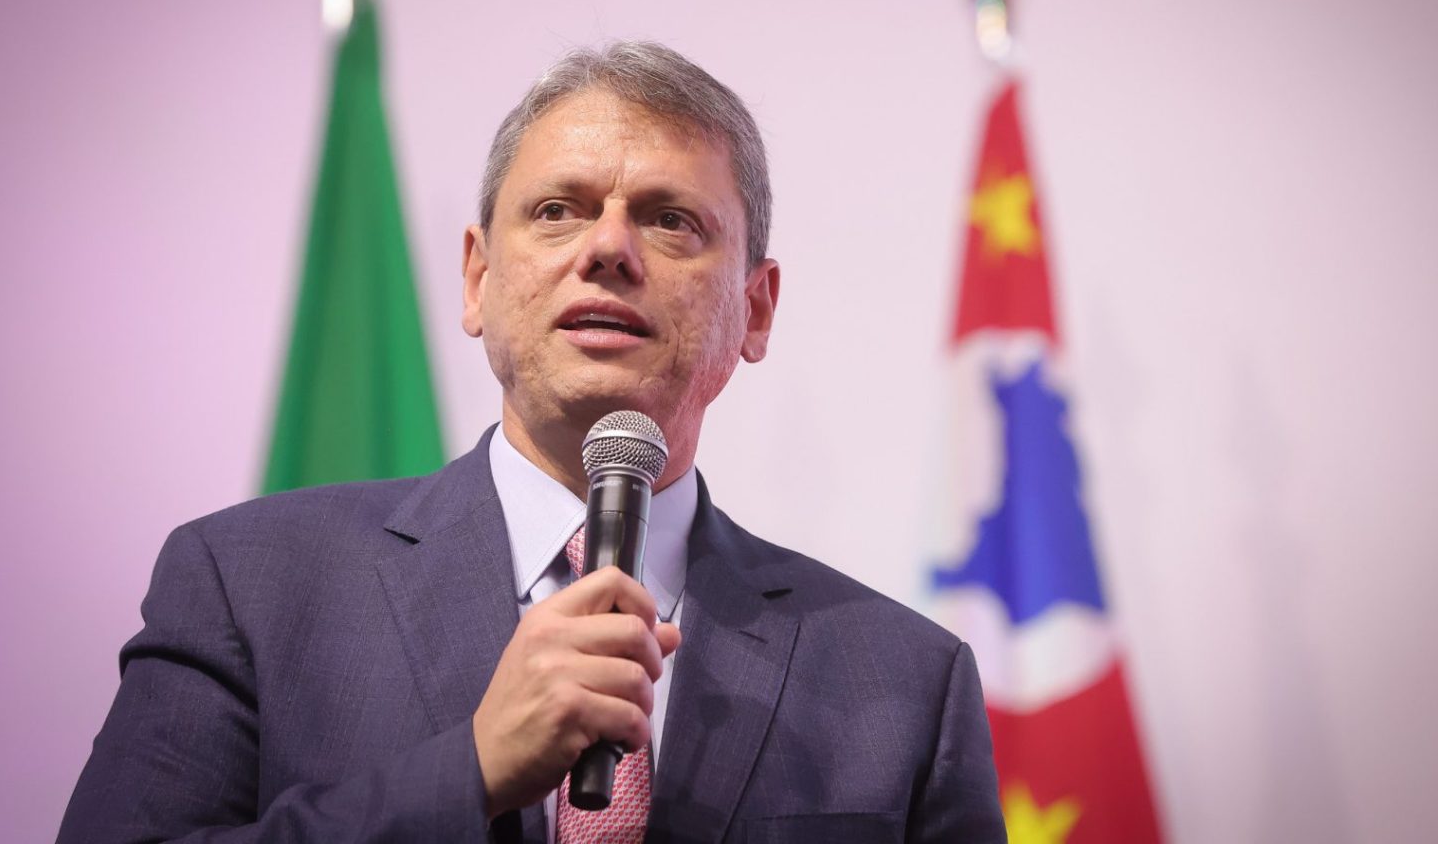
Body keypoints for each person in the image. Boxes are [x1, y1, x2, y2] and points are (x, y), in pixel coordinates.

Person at [58, 42, 1005, 842]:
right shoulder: (249, 586)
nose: (608, 248)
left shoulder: (906, 684)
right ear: (477, 280)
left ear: (755, 310)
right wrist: (468, 771)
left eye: (670, 220)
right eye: (558, 211)